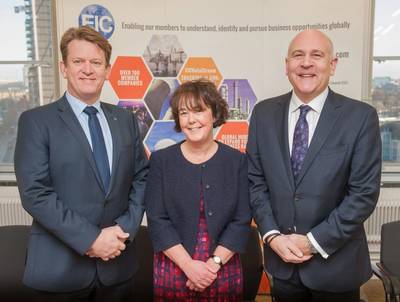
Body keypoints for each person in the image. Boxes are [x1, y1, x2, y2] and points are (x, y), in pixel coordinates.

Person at [14, 26, 148, 301]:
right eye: (78, 61)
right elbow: (35, 193)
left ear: (107, 70)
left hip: (118, 268)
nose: (88, 69)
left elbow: (142, 177)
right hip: (59, 271)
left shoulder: (125, 120)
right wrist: (92, 240)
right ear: (64, 68)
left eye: (96, 62)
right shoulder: (37, 122)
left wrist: (124, 230)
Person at [247, 29, 382, 302]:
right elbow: (255, 181)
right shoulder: (263, 113)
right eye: (298, 55)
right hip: (283, 264)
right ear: (287, 65)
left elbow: (363, 194)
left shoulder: (360, 117)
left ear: (332, 65)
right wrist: (272, 236)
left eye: (316, 55)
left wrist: (312, 242)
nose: (306, 63)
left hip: (336, 266)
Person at [145, 80, 251, 301]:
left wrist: (213, 265)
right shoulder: (161, 160)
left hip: (222, 267)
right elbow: (157, 219)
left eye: (199, 110)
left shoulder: (236, 161)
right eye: (183, 113)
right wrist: (188, 265)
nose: (191, 120)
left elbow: (241, 220)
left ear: (214, 114)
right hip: (174, 266)